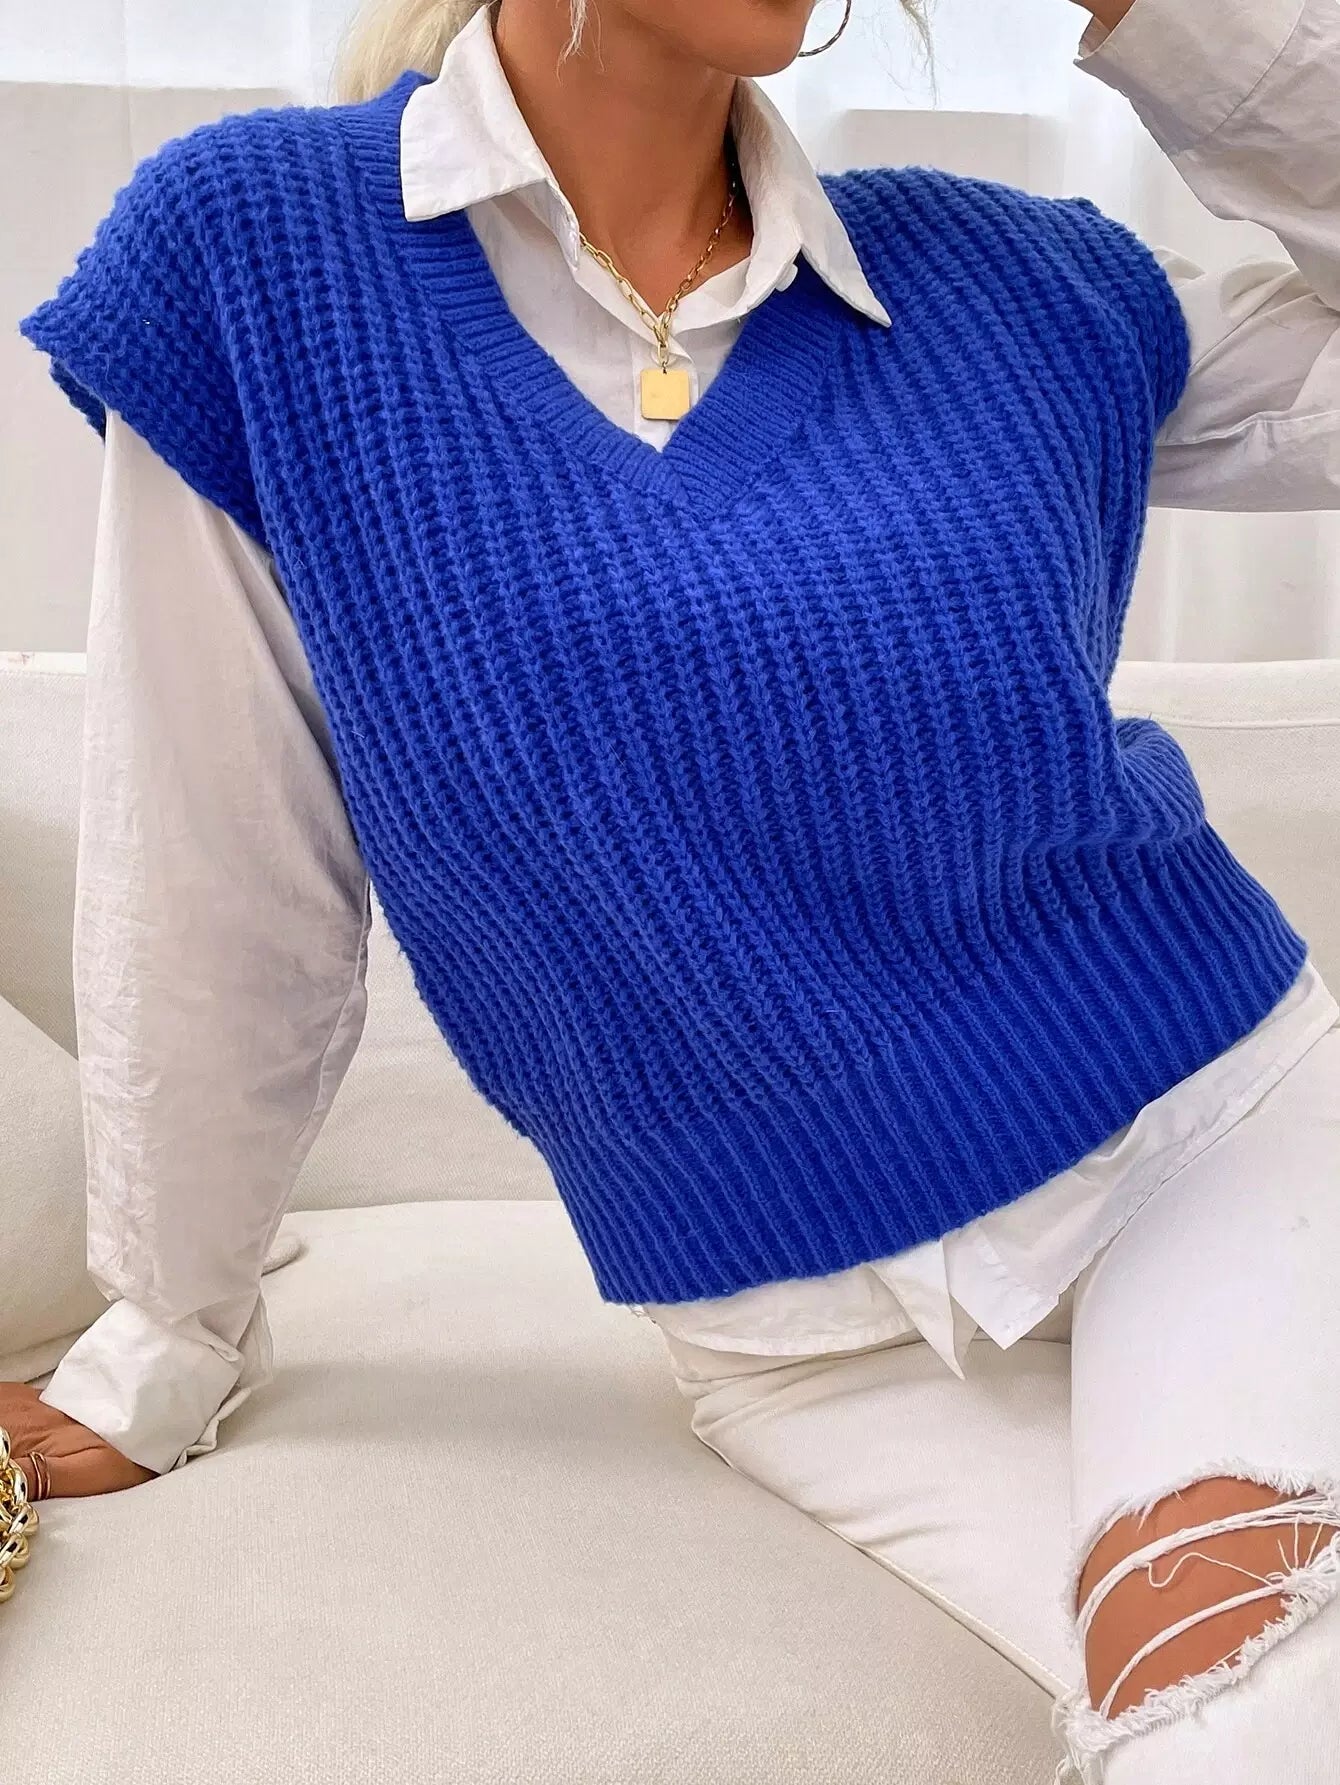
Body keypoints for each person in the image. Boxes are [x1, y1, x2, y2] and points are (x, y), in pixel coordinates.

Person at [6, 0, 1340, 1775]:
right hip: (802, 1344)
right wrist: (169, 1333)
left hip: (1210, 1145)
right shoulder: (260, 260)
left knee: (1243, 1729)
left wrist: (1159, 13)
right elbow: (220, 864)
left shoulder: (1011, 280)